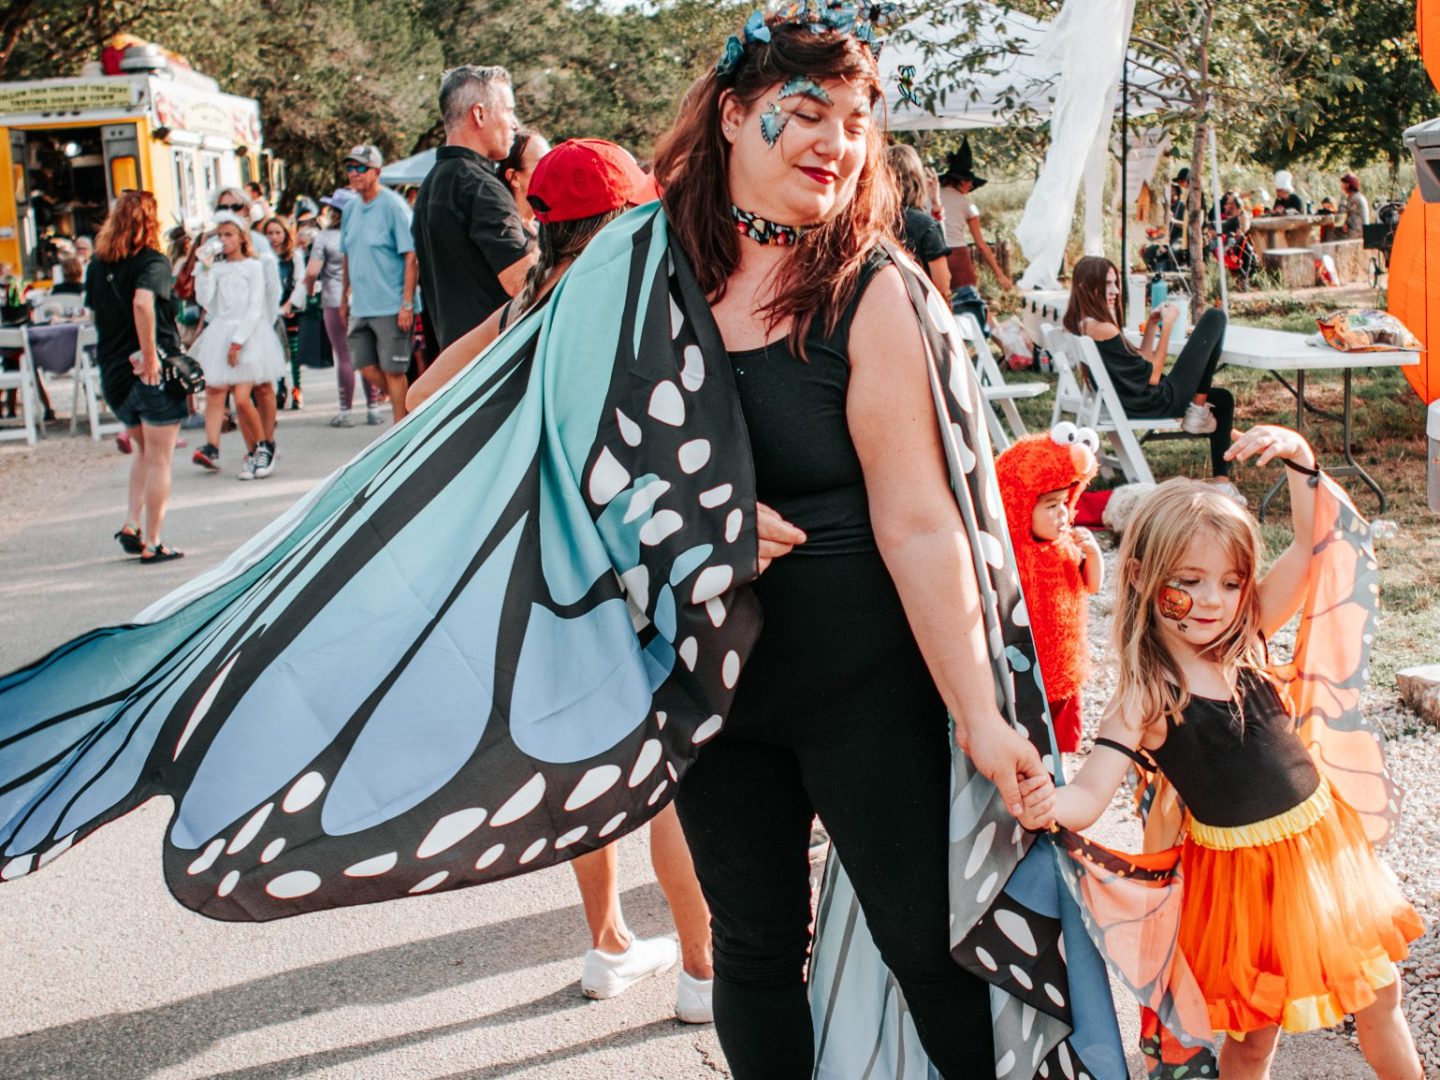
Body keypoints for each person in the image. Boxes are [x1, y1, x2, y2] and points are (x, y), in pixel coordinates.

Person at [650, 11, 1047, 1075]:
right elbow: (508, 441)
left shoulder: (869, 289)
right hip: (707, 690)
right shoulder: (642, 283)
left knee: (933, 944)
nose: (839, 138)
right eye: (809, 111)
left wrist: (980, 716)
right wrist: (676, 518)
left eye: (860, 119)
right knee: (755, 950)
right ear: (735, 114)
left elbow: (921, 520)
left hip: (863, 687)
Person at [410, 136, 713, 1025]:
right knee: (669, 772)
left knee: (593, 754)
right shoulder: (634, 301)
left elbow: (422, 397)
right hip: (637, 556)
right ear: (626, 216)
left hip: (551, 565)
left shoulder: (527, 309)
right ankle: (700, 968)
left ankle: (609, 943)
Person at [1043, 427, 1425, 1080]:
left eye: (1230, 581)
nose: (1214, 601)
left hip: (1323, 852)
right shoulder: (1146, 694)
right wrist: (1042, 799)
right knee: (1253, 1042)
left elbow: (1310, 547)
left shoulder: (1247, 637)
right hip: (1240, 885)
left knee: (1381, 995)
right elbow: (1086, 796)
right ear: (1140, 576)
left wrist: (1302, 462)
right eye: (1190, 581)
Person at [1064, 255, 1239, 487]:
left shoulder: (1084, 324)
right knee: (1215, 317)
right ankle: (1197, 407)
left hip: (1133, 400)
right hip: (1153, 401)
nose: (1115, 290)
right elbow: (1154, 377)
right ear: (1084, 286)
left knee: (1223, 399)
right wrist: (1168, 327)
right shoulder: (1103, 328)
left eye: (1116, 283)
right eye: (1107, 284)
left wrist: (1153, 324)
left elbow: (1141, 362)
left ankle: (1222, 481)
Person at [83, 190, 186, 563]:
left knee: (142, 450)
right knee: (160, 458)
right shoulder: (152, 262)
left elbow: (98, 316)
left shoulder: (96, 264)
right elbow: (143, 302)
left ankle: (131, 523)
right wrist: (149, 355)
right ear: (151, 221)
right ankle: (154, 542)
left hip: (114, 373)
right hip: (149, 371)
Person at [412, 66, 537, 352]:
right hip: (495, 363)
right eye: (509, 111)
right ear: (479, 114)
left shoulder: (433, 183)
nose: (515, 124)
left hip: (457, 360)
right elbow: (524, 283)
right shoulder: (480, 187)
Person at [995, 426, 1103, 758]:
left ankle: (1059, 780)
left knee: (1061, 745)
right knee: (1029, 741)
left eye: (1065, 502)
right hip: (1029, 674)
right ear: (1020, 506)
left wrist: (1095, 555)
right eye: (1051, 505)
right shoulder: (1012, 557)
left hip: (1065, 668)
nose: (1062, 514)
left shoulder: (1068, 545)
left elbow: (1092, 586)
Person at [190, 213, 286, 480]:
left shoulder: (253, 266)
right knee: (231, 395)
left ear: (242, 238)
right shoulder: (217, 268)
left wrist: (238, 341)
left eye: (229, 235)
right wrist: (205, 269)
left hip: (249, 334)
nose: (223, 240)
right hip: (221, 330)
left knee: (245, 397)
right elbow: (205, 299)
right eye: (220, 235)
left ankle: (265, 446)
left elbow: (255, 306)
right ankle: (254, 451)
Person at [339, 144, 417, 424]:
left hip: (390, 304)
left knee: (393, 370)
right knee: (365, 365)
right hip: (360, 305)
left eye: (360, 168)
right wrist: (343, 296)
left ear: (377, 172)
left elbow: (411, 256)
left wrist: (406, 303)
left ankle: (400, 433)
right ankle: (413, 405)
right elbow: (347, 254)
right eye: (350, 168)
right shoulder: (349, 209)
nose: (354, 173)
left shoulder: (394, 207)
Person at [213, 186, 282, 476]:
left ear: (245, 209)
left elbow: (270, 290)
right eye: (223, 206)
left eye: (235, 206)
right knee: (240, 395)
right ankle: (256, 448)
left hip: (259, 325)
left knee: (264, 389)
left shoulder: (261, 247)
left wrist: (263, 324)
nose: (229, 211)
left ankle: (266, 446)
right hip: (231, 327)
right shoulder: (216, 246)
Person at [307, 189, 381, 427]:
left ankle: (346, 412)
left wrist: (309, 289)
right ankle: (373, 408)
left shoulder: (325, 237)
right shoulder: (365, 232)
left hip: (333, 298)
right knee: (368, 353)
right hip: (365, 298)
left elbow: (311, 272)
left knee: (344, 356)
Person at [937, 136, 1013, 295]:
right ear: (959, 181)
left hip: (934, 253)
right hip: (957, 255)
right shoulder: (966, 204)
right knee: (970, 299)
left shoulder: (930, 197)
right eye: (968, 181)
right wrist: (1000, 275)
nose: (971, 185)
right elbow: (981, 245)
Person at [884, 143, 949, 298]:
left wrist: (936, 206)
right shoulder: (925, 225)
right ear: (917, 178)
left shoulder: (868, 221)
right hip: (919, 307)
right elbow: (943, 283)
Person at [262, 215, 308, 410]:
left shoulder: (294, 255)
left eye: (277, 232)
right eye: (270, 233)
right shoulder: (263, 256)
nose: (274, 237)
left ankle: (297, 389)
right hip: (271, 312)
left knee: (295, 353)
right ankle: (280, 387)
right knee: (277, 353)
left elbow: (301, 281)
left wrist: (291, 304)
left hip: (290, 311)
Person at [498, 127, 550, 240]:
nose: (553, 169)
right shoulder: (503, 236)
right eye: (543, 163)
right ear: (514, 177)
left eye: (552, 160)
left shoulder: (545, 230)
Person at [1341, 172, 1370, 240]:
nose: (1341, 186)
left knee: (1331, 232)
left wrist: (1346, 223)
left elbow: (1350, 215)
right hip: (1360, 229)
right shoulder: (1355, 196)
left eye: (1343, 184)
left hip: (1359, 232)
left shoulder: (1355, 198)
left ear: (1348, 185)